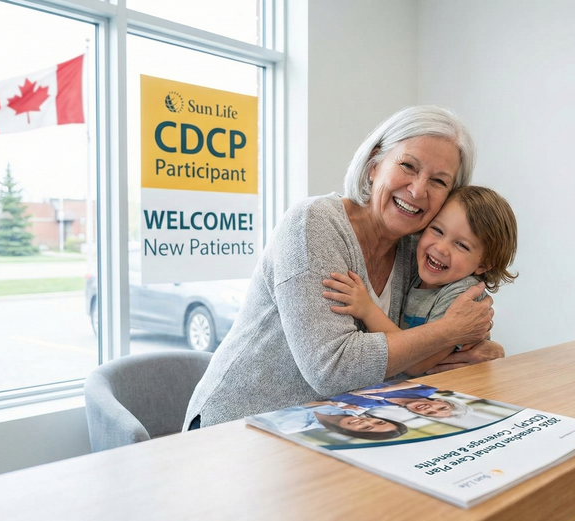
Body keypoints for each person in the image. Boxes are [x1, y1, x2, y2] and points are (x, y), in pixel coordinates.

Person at [184, 106, 504, 429]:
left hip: (335, 428)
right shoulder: (313, 224)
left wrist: (477, 352)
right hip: (240, 426)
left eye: (438, 181)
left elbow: (418, 356)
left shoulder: (417, 250)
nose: (419, 190)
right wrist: (449, 331)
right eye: (408, 165)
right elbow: (333, 368)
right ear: (374, 164)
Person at [323, 185, 518, 377]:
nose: (441, 248)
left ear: (483, 265)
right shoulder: (418, 275)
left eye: (461, 245)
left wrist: (367, 309)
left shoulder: (462, 295)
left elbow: (415, 364)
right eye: (437, 230)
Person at [253, 401, 408, 441]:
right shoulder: (348, 407)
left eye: (367, 429)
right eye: (378, 422)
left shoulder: (295, 428)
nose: (367, 423)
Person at [331, 381, 474, 419]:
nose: (429, 409)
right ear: (442, 401)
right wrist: (381, 390)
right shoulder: (425, 389)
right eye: (440, 408)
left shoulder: (372, 406)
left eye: (431, 414)